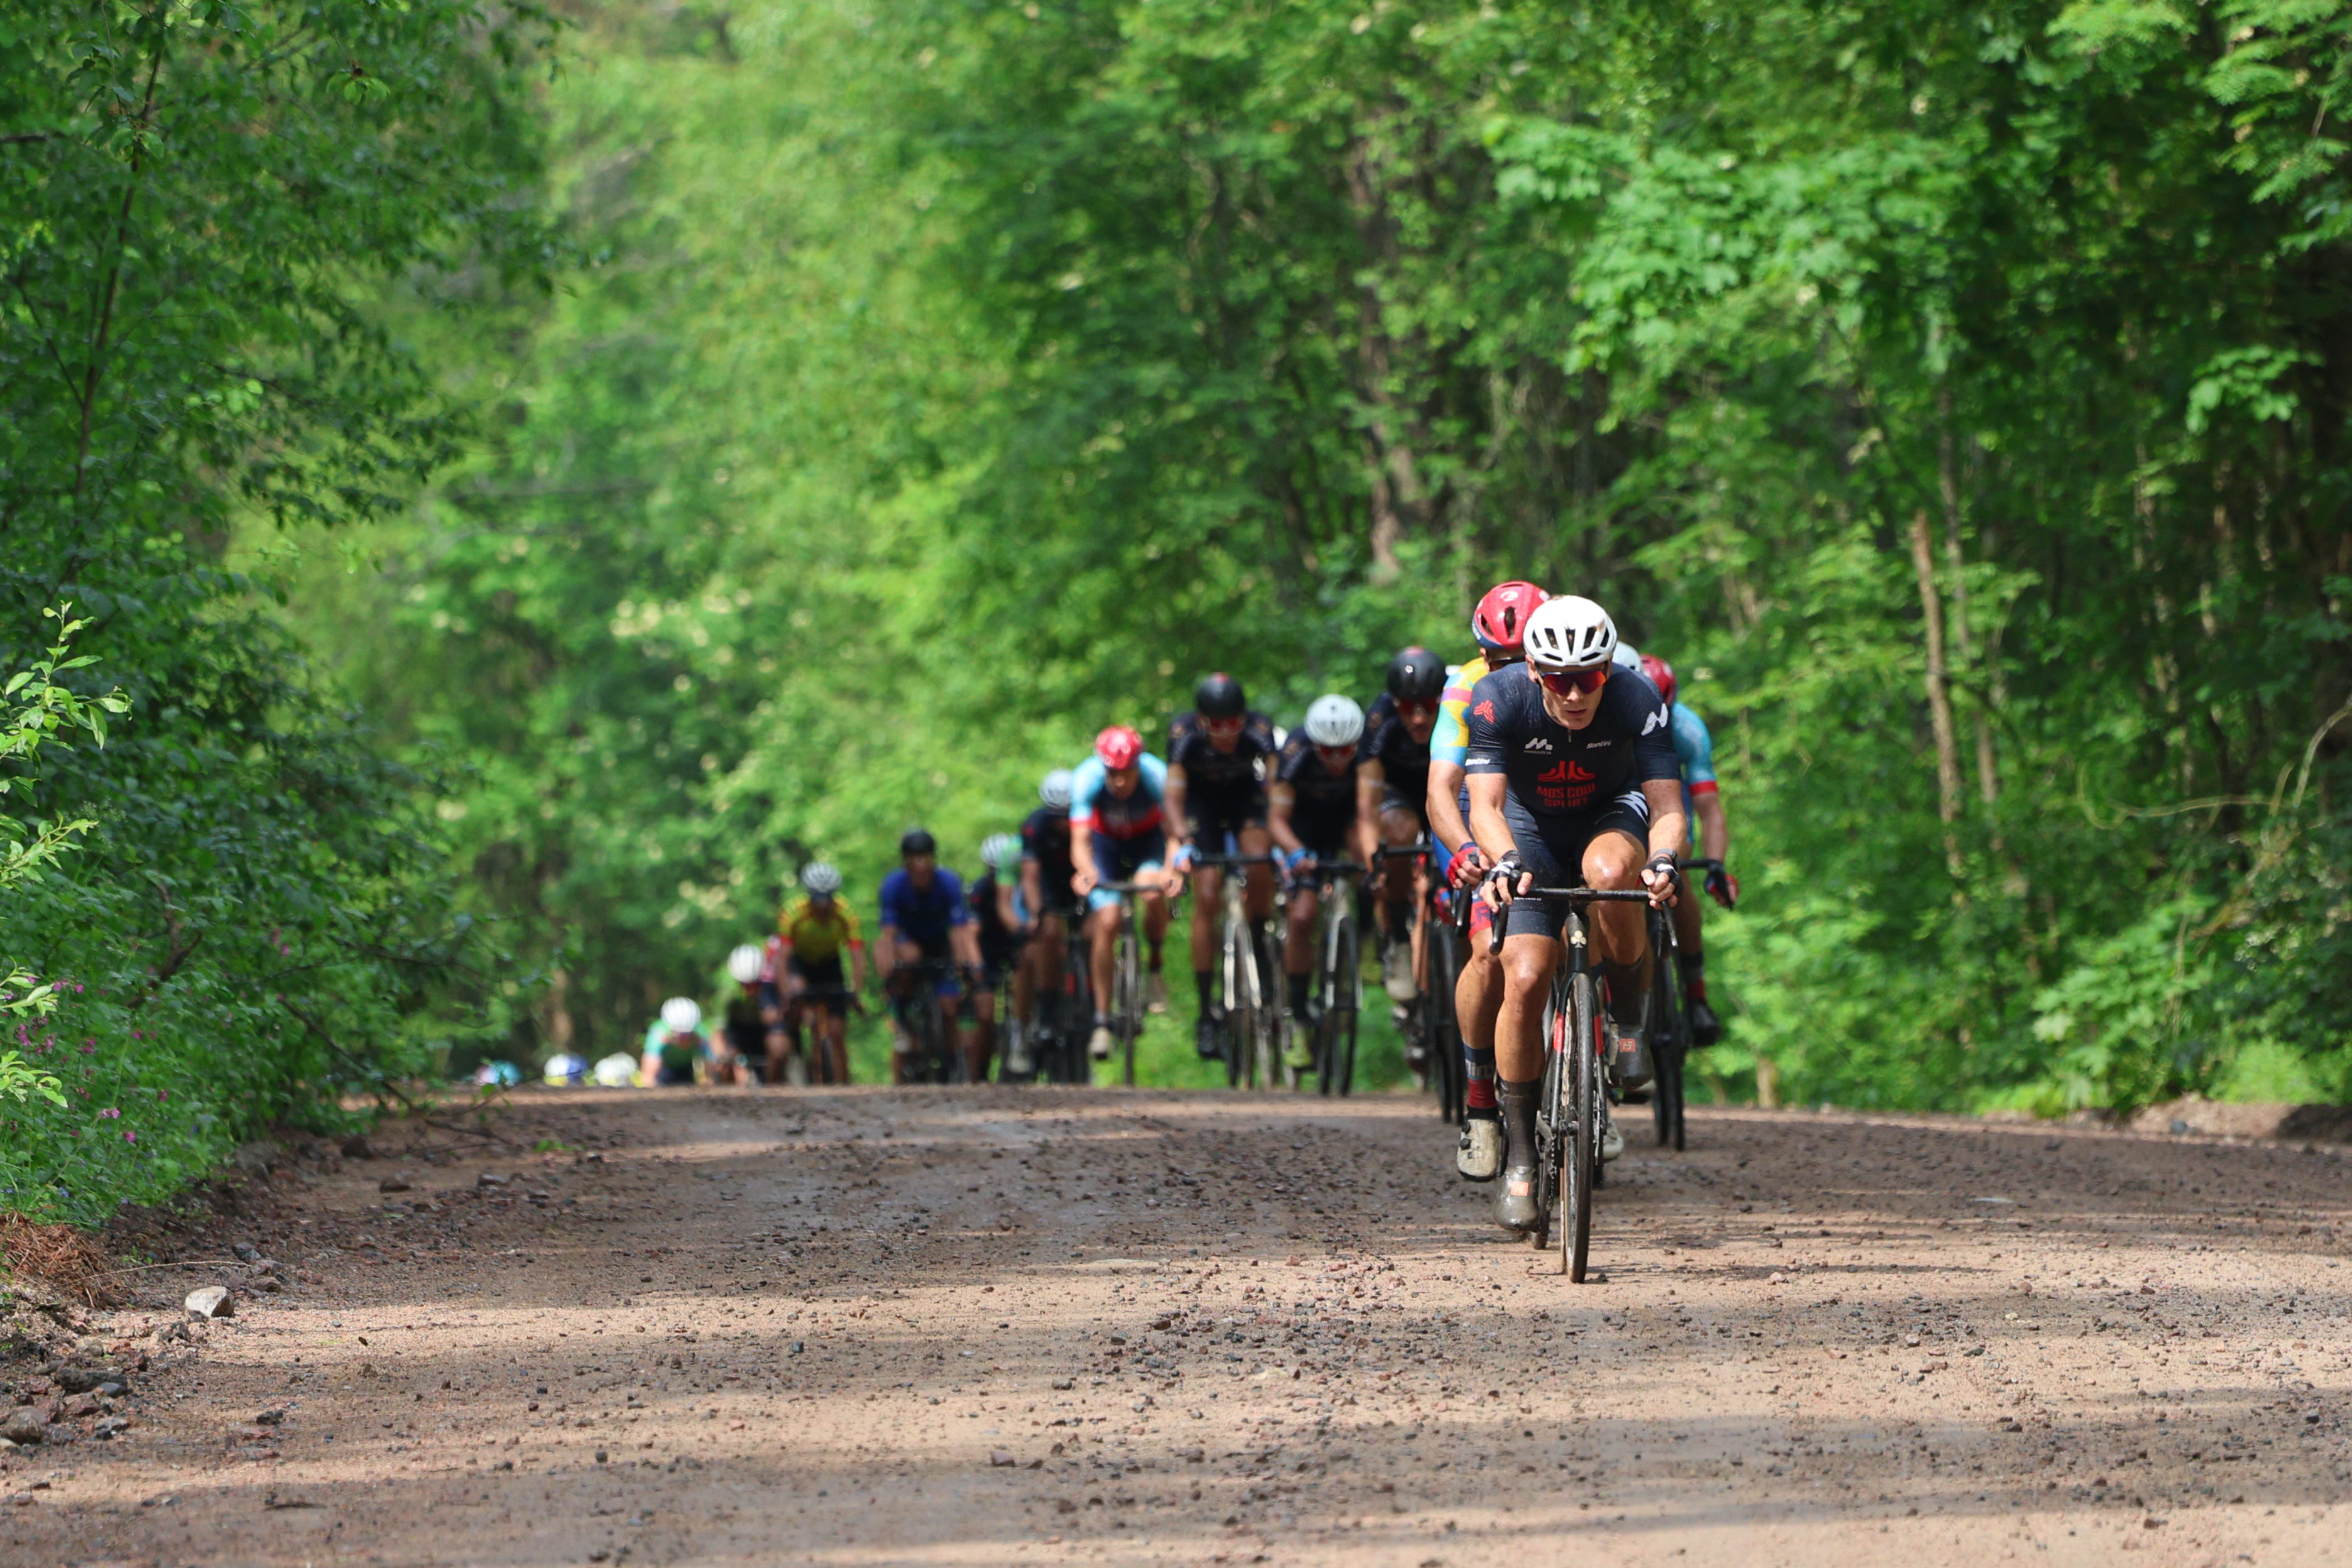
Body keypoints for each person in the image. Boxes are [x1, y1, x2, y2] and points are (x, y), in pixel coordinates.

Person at [1466, 594, 1687, 1233]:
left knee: (1613, 875)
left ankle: (1627, 1023)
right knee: (1525, 975)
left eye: (1588, 678)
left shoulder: (1637, 698)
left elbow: (1667, 807)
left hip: (1609, 814)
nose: (1573, 694)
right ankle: (1520, 1158)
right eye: (1559, 679)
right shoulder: (1498, 698)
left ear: (1607, 671)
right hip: (1529, 827)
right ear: (1534, 669)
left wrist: (1663, 860)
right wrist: (1505, 860)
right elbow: (1486, 806)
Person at [1427, 580, 1548, 1180]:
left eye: (1524, 658)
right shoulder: (1464, 689)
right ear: (1482, 655)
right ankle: (1480, 1102)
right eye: (1501, 660)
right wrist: (1464, 850)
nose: (1514, 671)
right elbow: (1441, 790)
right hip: (1481, 816)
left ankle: (1594, 1063)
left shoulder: (1572, 682)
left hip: (1550, 810)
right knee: (1488, 952)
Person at [1165, 673, 1281, 1059]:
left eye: (1234, 724)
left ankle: (1260, 938)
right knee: (1207, 895)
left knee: (1258, 857)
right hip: (1202, 809)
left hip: (1245, 800)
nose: (1227, 733)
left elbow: (1277, 790)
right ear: (1202, 722)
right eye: (1217, 726)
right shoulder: (1183, 735)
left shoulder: (1260, 731)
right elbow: (1173, 798)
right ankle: (1205, 1012)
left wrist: (1280, 838)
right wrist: (1182, 841)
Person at [1640, 653, 1738, 1046]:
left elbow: (1709, 810)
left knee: (1678, 879)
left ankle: (1696, 997)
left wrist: (1716, 866)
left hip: (1670, 800)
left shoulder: (1687, 729)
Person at [1268, 694, 1368, 1071]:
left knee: (1369, 861)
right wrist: (1295, 852)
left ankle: (1371, 942)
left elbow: (1371, 812)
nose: (1337, 760)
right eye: (1328, 752)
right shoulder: (1295, 752)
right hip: (1304, 831)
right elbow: (1276, 819)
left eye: (1345, 751)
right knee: (1302, 916)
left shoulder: (1367, 751)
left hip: (1347, 824)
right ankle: (1298, 1012)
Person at [1068, 726, 1177, 1061]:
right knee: (1108, 919)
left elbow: (1175, 832)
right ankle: (1102, 1020)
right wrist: (1086, 871)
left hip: (1148, 843)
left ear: (1138, 766)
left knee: (1152, 893)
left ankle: (1155, 967)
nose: (1119, 781)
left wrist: (1171, 870)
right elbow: (1080, 842)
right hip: (1106, 846)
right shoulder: (1086, 779)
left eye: (1127, 773)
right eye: (1112, 774)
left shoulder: (1157, 776)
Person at [1357, 647, 1446, 1029]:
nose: (1419, 717)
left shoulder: (1460, 706)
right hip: (1400, 794)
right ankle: (1397, 937)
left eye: (1428, 705)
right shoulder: (1379, 721)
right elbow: (1367, 805)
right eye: (1408, 708)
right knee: (1396, 832)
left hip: (1446, 786)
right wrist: (1374, 860)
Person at [876, 829, 987, 1082]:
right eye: (915, 858)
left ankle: (951, 1058)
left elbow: (961, 932)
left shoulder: (948, 882)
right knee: (909, 958)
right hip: (908, 942)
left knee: (949, 1006)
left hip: (939, 944)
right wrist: (888, 975)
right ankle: (903, 1020)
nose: (921, 864)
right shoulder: (893, 885)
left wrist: (971, 966)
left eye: (925, 857)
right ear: (906, 861)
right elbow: (887, 936)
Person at [775, 861, 865, 1086]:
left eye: (828, 899)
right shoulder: (793, 913)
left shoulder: (846, 913)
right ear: (809, 896)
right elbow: (782, 959)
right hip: (801, 963)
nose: (823, 905)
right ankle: (803, 1057)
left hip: (830, 965)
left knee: (837, 1031)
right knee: (808, 1012)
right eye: (818, 899)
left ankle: (844, 1083)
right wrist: (786, 995)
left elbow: (857, 956)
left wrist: (855, 991)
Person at [1011, 768, 1077, 1075]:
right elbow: (1030, 877)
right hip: (1049, 888)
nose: (1064, 823)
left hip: (1080, 885)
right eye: (1057, 816)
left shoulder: (1088, 820)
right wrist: (1038, 912)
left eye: (1069, 815)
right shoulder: (1035, 825)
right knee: (1049, 932)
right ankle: (1048, 1011)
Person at [970, 832, 1026, 1077]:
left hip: (1015, 945)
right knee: (985, 1012)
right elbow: (970, 932)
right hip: (988, 951)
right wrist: (976, 965)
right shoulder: (980, 891)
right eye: (993, 871)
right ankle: (980, 1070)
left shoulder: (1024, 888)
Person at [721, 943, 773, 1085]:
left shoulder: (773, 994)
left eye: (755, 985)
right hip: (742, 1039)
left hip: (765, 1038)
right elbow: (729, 1033)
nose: (750, 990)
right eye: (745, 985)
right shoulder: (733, 1001)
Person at [640, 996, 713, 1086]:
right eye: (679, 1035)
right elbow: (648, 1077)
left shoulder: (701, 1033)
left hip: (686, 1069)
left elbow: (709, 1076)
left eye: (687, 1035)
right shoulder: (659, 1033)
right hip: (664, 1069)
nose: (684, 1039)